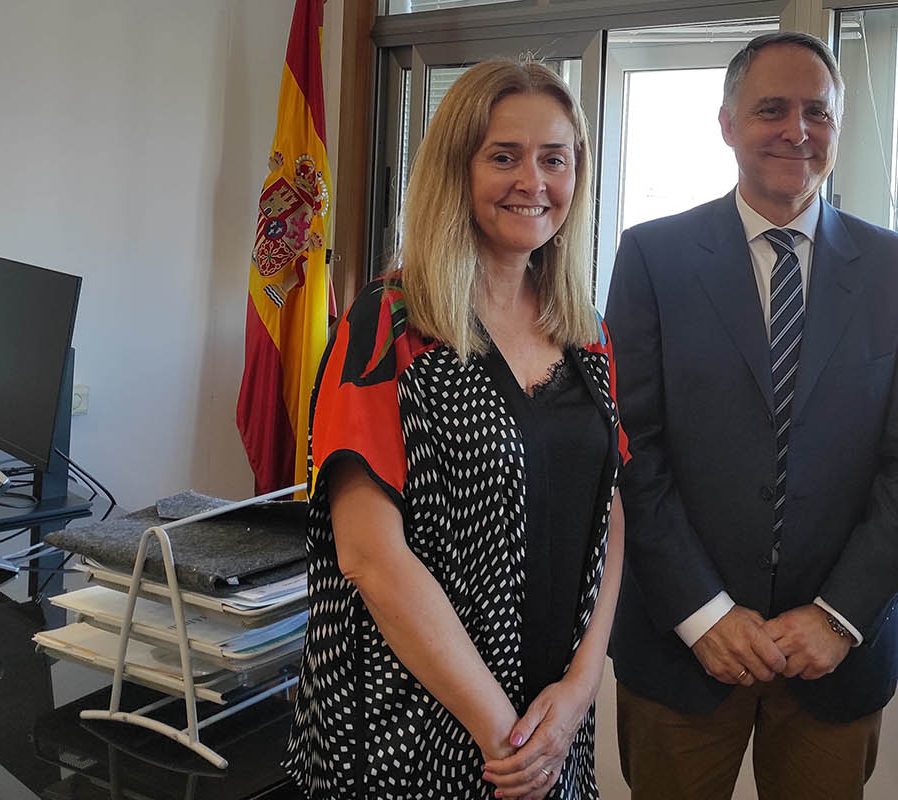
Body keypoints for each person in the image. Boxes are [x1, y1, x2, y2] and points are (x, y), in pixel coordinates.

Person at [604, 31, 898, 800]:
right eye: (772, 110)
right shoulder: (653, 258)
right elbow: (633, 451)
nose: (798, 131)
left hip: (834, 660)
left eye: (817, 112)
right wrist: (703, 613)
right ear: (727, 124)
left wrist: (838, 618)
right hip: (681, 651)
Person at [284, 58, 629, 800]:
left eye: (554, 159)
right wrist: (504, 736)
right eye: (503, 156)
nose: (533, 181)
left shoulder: (586, 330)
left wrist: (580, 687)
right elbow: (369, 556)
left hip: (551, 723)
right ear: (456, 169)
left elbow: (609, 506)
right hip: (415, 728)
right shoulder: (388, 325)